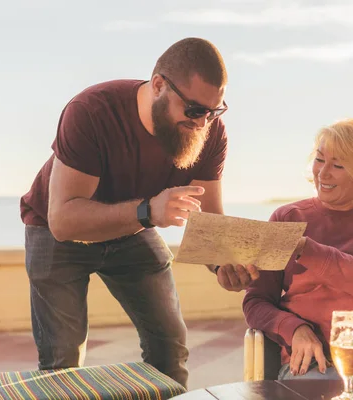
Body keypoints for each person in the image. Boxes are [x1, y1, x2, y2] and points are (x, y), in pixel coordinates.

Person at [19, 37, 259, 388]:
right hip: (57, 232)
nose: (202, 123)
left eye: (214, 111)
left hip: (133, 227)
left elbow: (210, 221)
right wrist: (148, 212)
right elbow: (63, 220)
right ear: (159, 84)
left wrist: (223, 265)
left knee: (170, 346)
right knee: (62, 364)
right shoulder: (92, 111)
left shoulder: (209, 133)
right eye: (194, 110)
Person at [243, 119, 353, 388]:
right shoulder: (287, 218)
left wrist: (304, 248)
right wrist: (294, 329)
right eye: (319, 160)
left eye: (337, 166)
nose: (323, 173)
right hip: (314, 359)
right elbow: (256, 301)